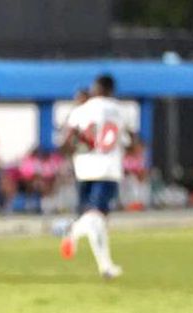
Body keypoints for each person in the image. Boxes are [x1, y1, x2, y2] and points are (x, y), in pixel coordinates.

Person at [57, 74, 138, 279]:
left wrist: (78, 149)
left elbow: (65, 143)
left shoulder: (80, 110)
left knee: (97, 221)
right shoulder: (120, 110)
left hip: (83, 169)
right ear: (111, 90)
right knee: (97, 217)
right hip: (107, 169)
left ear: (95, 88)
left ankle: (105, 267)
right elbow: (133, 142)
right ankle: (72, 230)